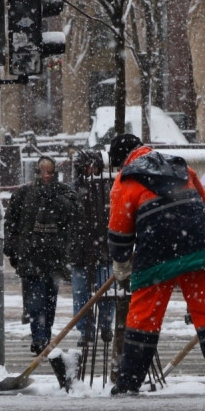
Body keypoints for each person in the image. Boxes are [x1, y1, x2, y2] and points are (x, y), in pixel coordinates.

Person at [107, 133, 205, 395]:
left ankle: (129, 382)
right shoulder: (180, 166)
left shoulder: (126, 180)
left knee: (144, 317)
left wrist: (121, 259)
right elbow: (204, 203)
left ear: (122, 161)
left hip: (157, 253)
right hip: (199, 247)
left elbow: (120, 231)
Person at [4, 156, 78, 355]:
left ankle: (45, 335)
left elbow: (72, 215)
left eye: (50, 172)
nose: (46, 176)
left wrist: (54, 197)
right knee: (35, 302)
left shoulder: (64, 192)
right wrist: (12, 249)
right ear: (36, 172)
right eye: (42, 171)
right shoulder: (24, 194)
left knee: (49, 301)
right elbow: (11, 223)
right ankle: (39, 339)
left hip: (54, 258)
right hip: (31, 257)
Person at [70, 150, 114, 350]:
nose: (90, 171)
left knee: (107, 291)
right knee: (81, 294)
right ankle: (86, 331)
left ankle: (106, 325)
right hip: (80, 250)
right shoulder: (73, 191)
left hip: (104, 249)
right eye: (87, 167)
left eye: (94, 167)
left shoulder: (108, 188)